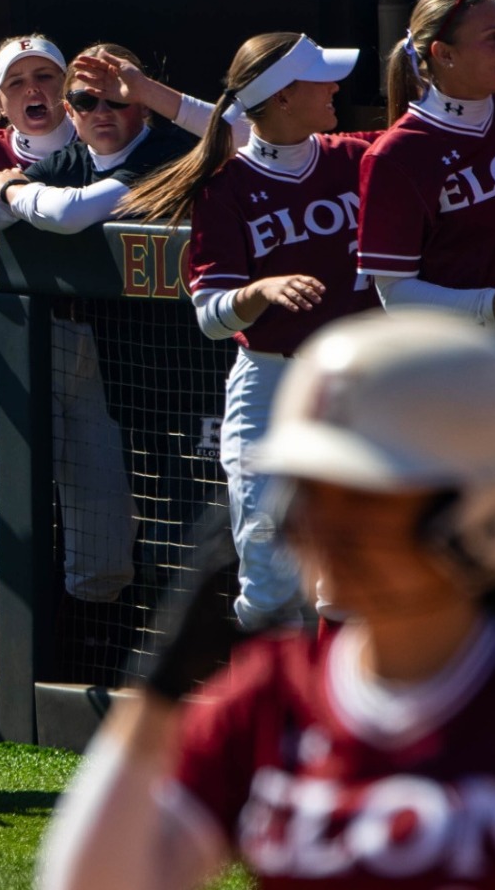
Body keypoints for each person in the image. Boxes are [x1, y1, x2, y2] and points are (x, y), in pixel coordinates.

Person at [38, 309, 495, 890]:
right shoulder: (270, 697)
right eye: (310, 492)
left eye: (365, 499)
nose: (321, 527)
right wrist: (156, 694)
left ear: (482, 509)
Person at [0, 38, 183, 680]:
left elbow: (65, 213)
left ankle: (93, 683)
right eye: (19, 81)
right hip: (24, 337)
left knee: (110, 536)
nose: (40, 92)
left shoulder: (134, 151)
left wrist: (14, 189)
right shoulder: (27, 155)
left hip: (119, 355)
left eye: (51, 79)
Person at [121, 33, 379, 634]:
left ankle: (335, 721)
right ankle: (273, 717)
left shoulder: (356, 156)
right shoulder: (225, 187)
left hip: (357, 383)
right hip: (270, 382)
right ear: (284, 98)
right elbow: (211, 316)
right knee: (265, 573)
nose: (336, 88)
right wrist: (258, 293)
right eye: (321, 80)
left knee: (346, 569)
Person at [357, 0, 495, 350]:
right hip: (463, 352)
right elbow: (394, 293)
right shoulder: (397, 153)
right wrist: (488, 305)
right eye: (492, 38)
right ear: (444, 54)